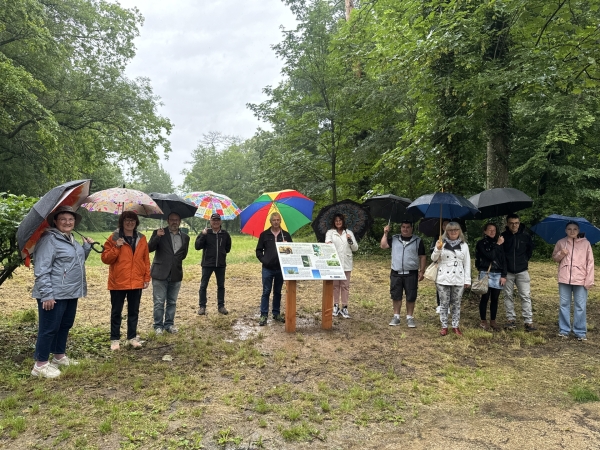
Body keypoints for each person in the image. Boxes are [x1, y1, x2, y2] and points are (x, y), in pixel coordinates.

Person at [31, 206, 94, 378]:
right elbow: (41, 269)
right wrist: (47, 294)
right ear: (55, 222)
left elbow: (76, 263)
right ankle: (40, 365)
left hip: (71, 291)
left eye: (71, 219)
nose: (67, 222)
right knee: (49, 328)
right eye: (63, 219)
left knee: (65, 325)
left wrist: (86, 248)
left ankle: (58, 356)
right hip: (54, 293)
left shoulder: (71, 239)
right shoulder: (49, 239)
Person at [101, 211, 151, 350]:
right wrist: (116, 246)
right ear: (122, 222)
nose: (130, 223)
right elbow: (105, 259)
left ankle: (132, 337)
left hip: (136, 281)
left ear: (136, 222)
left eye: (133, 220)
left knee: (134, 311)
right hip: (118, 282)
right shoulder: (114, 237)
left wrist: (146, 277)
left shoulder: (142, 238)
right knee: (116, 311)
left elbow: (145, 260)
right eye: (127, 220)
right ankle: (115, 339)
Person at [148, 212, 190, 334]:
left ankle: (169, 325)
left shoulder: (185, 237)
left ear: (180, 221)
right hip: (160, 273)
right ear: (167, 221)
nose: (174, 222)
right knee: (159, 302)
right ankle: (158, 326)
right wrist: (158, 237)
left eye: (176, 220)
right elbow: (149, 248)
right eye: (172, 219)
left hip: (176, 274)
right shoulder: (159, 232)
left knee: (172, 301)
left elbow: (183, 255)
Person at [552, 221, 594, 341]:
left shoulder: (586, 244)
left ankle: (580, 331)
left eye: (575, 229)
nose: (572, 231)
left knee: (580, 306)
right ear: (565, 230)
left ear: (578, 230)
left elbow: (590, 262)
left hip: (581, 279)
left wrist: (589, 280)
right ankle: (564, 330)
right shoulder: (561, 242)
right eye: (569, 229)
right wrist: (561, 253)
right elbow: (555, 257)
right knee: (564, 305)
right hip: (564, 278)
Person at [380, 221, 426, 328]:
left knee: (411, 296)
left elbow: (422, 256)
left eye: (408, 227)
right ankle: (396, 316)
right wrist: (385, 234)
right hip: (396, 272)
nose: (405, 229)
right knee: (396, 295)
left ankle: (409, 317)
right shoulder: (395, 239)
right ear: (400, 228)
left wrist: (422, 271)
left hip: (411, 273)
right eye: (403, 227)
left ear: (412, 228)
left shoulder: (418, 241)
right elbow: (383, 245)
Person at [432, 222, 471, 336]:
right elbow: (433, 258)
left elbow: (467, 263)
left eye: (456, 230)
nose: (453, 232)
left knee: (457, 303)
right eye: (450, 230)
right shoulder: (440, 243)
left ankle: (455, 326)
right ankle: (444, 326)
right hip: (443, 277)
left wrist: (467, 280)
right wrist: (438, 249)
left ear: (459, 231)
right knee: (444, 303)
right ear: (446, 232)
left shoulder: (464, 245)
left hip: (458, 277)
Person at [500, 213, 537, 331]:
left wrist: (524, 260)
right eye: (511, 223)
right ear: (507, 224)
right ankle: (510, 319)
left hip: (522, 270)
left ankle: (528, 321)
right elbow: (500, 253)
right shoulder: (503, 236)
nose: (514, 225)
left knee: (525, 296)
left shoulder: (525, 236)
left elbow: (529, 251)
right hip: (508, 271)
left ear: (519, 223)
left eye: (516, 223)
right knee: (507, 296)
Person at [255, 212, 292, 326]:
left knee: (277, 292)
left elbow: (292, 252)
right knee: (266, 291)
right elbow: (258, 251)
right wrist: (264, 260)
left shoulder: (285, 235)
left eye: (278, 220)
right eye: (274, 220)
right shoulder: (264, 235)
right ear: (270, 222)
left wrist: (287, 247)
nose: (276, 222)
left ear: (280, 221)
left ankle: (276, 313)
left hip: (280, 269)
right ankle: (264, 315)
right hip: (267, 269)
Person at [195, 213, 232, 315]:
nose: (215, 222)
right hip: (207, 264)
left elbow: (228, 248)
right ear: (210, 221)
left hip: (220, 264)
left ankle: (221, 306)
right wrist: (203, 235)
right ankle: (202, 307)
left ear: (221, 221)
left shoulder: (225, 234)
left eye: (217, 220)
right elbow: (197, 246)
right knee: (203, 286)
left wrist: (221, 254)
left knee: (221, 286)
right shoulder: (206, 233)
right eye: (213, 220)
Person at [325, 213, 359, 319]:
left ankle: (344, 307)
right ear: (334, 222)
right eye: (336, 221)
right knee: (335, 285)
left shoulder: (349, 233)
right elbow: (327, 242)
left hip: (346, 263)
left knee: (345, 286)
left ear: (343, 221)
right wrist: (329, 243)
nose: (338, 222)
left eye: (340, 220)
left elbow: (355, 248)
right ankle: (335, 306)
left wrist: (350, 241)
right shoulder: (330, 232)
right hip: (335, 263)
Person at [475, 223, 507, 331]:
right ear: (485, 231)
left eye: (494, 230)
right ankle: (483, 320)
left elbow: (503, 260)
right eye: (489, 230)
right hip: (486, 273)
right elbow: (490, 256)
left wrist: (504, 275)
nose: (492, 232)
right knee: (485, 297)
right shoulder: (481, 243)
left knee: (495, 298)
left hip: (498, 273)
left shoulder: (500, 242)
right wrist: (497, 245)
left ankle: (493, 320)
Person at [430, 219, 450, 314]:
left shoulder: (455, 239)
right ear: (442, 227)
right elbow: (432, 250)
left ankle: (448, 305)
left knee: (450, 286)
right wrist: (438, 248)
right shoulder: (438, 237)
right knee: (439, 286)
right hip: (440, 265)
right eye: (444, 225)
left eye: (448, 225)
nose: (446, 227)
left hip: (450, 266)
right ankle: (439, 304)